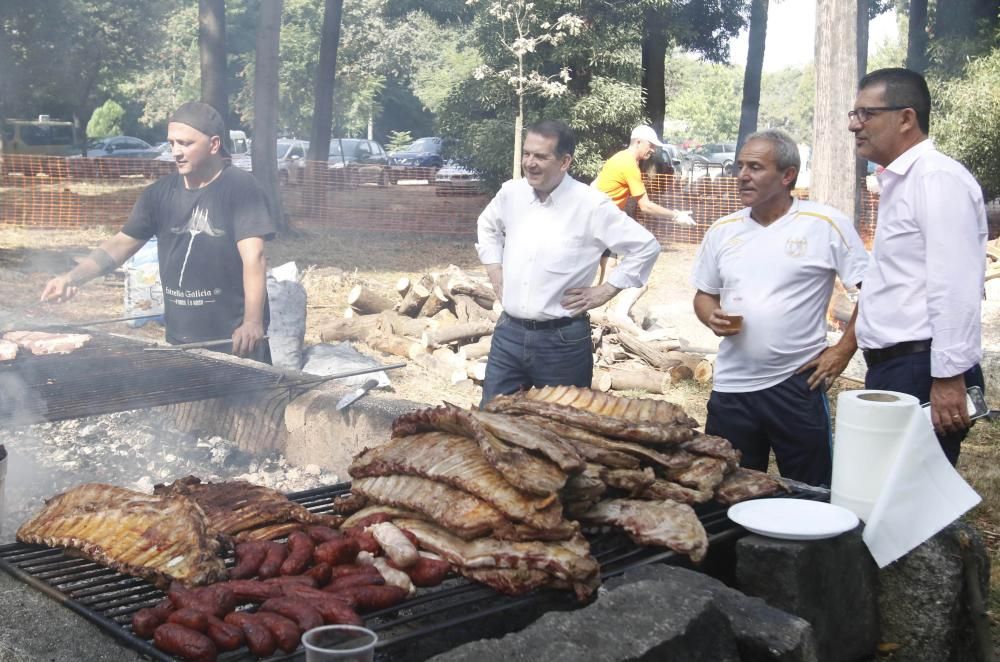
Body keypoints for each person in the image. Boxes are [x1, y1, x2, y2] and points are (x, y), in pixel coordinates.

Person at [691, 129, 868, 486]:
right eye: (740, 166)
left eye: (755, 167)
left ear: (787, 175)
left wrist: (842, 351)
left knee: (811, 489)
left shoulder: (825, 224)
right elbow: (703, 294)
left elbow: (874, 292)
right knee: (726, 487)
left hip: (796, 383)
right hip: (732, 387)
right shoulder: (723, 230)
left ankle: (811, 543)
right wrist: (710, 314)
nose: (742, 175)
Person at [40, 102, 277, 363]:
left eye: (186, 143)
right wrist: (72, 278)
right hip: (180, 341)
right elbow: (121, 245)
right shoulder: (159, 195)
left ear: (214, 145)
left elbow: (254, 257)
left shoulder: (241, 188)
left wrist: (253, 322)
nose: (176, 152)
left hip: (234, 341)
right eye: (172, 143)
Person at [850, 67, 987, 465]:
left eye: (866, 114)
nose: (854, 125)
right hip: (898, 369)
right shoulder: (902, 182)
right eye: (854, 114)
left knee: (907, 505)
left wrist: (947, 377)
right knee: (879, 493)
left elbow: (955, 284)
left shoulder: (937, 179)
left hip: (924, 371)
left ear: (906, 118)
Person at [477, 119, 661, 406]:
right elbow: (487, 225)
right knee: (492, 423)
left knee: (562, 434)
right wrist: (493, 269)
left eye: (540, 156)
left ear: (565, 161)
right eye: (527, 153)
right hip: (508, 336)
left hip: (561, 343)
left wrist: (606, 290)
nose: (530, 163)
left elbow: (645, 246)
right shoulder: (511, 194)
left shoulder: (591, 205)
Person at [593, 125, 695, 227]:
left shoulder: (620, 156)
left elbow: (594, 184)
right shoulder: (629, 164)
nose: (653, 150)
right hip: (600, 220)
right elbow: (646, 206)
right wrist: (676, 215)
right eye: (651, 145)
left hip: (598, 216)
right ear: (638, 142)